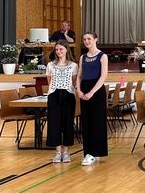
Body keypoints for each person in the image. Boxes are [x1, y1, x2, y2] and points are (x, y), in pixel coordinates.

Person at [76, 32, 108, 166]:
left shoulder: (102, 56)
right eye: (84, 39)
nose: (86, 41)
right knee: (86, 122)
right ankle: (89, 152)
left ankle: (95, 152)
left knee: (97, 122)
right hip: (84, 90)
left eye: (89, 39)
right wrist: (78, 89)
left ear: (95, 39)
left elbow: (103, 76)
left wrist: (92, 92)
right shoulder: (83, 57)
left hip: (97, 91)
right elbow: (79, 76)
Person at [46, 40, 78, 163]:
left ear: (66, 50)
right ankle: (58, 152)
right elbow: (50, 81)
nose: (59, 52)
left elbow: (74, 82)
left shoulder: (73, 65)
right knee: (54, 124)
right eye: (57, 49)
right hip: (54, 95)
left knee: (67, 123)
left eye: (61, 49)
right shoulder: (50, 65)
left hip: (68, 95)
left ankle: (66, 152)